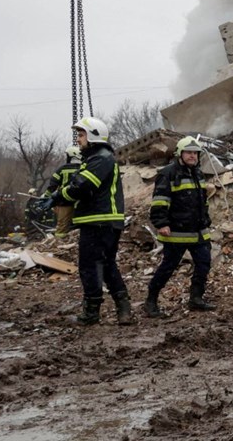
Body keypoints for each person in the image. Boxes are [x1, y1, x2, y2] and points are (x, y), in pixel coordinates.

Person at [53, 117, 133, 326]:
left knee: (90, 266)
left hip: (98, 220)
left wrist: (58, 196)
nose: (78, 140)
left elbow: (82, 186)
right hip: (105, 220)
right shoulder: (98, 158)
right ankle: (124, 309)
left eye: (81, 135)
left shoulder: (101, 158)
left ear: (93, 136)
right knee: (107, 265)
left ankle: (91, 312)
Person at [144, 137, 214, 317]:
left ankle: (196, 299)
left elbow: (202, 201)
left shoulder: (198, 173)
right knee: (168, 267)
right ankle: (151, 301)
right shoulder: (168, 173)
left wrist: (206, 220)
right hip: (176, 232)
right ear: (180, 154)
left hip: (198, 231)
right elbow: (159, 201)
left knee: (204, 264)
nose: (192, 156)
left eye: (195, 153)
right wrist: (161, 224)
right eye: (189, 152)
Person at [42, 147, 82, 238]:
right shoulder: (84, 168)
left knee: (62, 226)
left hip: (64, 202)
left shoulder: (62, 169)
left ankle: (59, 244)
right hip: (80, 202)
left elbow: (53, 185)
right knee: (78, 225)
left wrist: (47, 196)